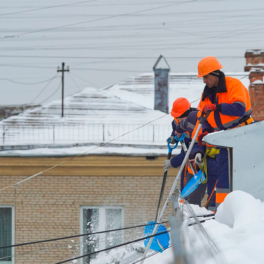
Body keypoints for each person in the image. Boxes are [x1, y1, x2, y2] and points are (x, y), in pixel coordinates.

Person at [197, 56, 253, 209]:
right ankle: (219, 211)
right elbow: (205, 119)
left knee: (242, 175)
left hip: (243, 135)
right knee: (223, 178)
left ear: (215, 74)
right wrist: (205, 133)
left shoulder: (233, 84)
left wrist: (217, 107)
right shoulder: (206, 95)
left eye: (206, 77)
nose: (204, 81)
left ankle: (246, 209)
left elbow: (239, 108)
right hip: (224, 138)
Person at [164, 97, 217, 208]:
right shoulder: (176, 121)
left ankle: (200, 213)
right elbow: (175, 130)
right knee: (186, 193)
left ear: (188, 114)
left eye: (181, 118)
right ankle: (186, 213)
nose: (179, 121)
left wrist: (172, 163)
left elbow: (187, 153)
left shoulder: (196, 121)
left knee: (199, 192)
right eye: (177, 118)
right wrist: (173, 137)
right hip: (189, 162)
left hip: (200, 158)